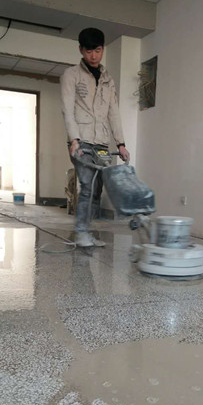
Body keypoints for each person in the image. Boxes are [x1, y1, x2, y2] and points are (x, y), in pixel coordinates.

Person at [60, 28, 130, 247]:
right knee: (87, 186)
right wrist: (74, 140)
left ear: (103, 50)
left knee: (97, 189)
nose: (93, 56)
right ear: (81, 50)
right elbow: (67, 110)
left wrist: (121, 143)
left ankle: (89, 233)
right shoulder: (71, 75)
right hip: (80, 140)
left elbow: (113, 112)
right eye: (89, 51)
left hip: (101, 142)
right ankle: (81, 233)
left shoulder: (108, 80)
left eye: (97, 51)